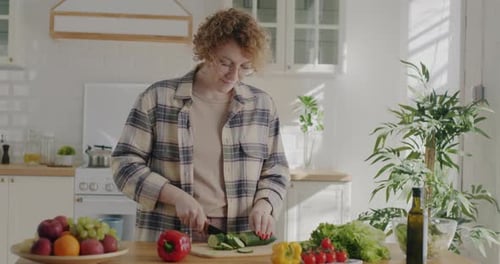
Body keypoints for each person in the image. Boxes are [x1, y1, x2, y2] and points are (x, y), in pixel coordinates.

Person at [111, 8, 290, 242]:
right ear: (207, 51)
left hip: (240, 238)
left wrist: (265, 204)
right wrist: (175, 197)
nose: (234, 75)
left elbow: (276, 170)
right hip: (170, 233)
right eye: (225, 63)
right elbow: (124, 164)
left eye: (245, 67)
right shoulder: (158, 98)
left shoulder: (262, 106)